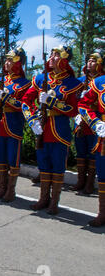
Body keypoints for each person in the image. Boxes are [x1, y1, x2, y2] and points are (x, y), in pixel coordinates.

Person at [22, 45, 82, 215]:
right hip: (41, 128)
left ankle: (54, 202)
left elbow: (73, 110)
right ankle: (43, 199)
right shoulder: (41, 79)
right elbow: (26, 101)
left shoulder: (73, 83)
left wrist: (53, 103)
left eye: (57, 55)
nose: (52, 57)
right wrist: (32, 119)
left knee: (57, 166)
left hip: (60, 130)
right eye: (52, 54)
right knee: (43, 165)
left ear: (64, 59)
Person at [0, 47, 31, 202]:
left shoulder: (25, 83)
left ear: (18, 62)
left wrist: (8, 99)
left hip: (14, 125)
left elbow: (25, 105)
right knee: (0, 158)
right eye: (6, 59)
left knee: (13, 159)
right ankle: (1, 188)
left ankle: (11, 190)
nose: (7, 63)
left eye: (10, 60)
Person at [73, 51, 104, 194]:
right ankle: (81, 180)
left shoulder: (100, 81)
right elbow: (73, 100)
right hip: (81, 120)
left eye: (93, 61)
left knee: (93, 150)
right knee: (80, 150)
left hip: (95, 119)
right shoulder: (80, 80)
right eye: (89, 61)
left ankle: (90, 182)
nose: (90, 64)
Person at [78, 73, 105, 227]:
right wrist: (96, 123)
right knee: (103, 174)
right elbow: (83, 104)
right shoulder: (99, 82)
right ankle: (102, 213)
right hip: (103, 135)